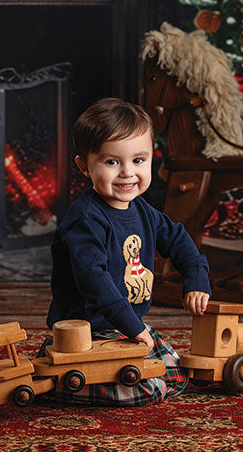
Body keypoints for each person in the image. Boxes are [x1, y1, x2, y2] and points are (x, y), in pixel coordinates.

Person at [41, 97, 211, 406]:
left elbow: (178, 239)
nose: (127, 173)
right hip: (87, 332)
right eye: (111, 162)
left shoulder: (143, 211)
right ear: (84, 165)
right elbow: (94, 280)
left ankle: (125, 377)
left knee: (177, 371)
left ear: (150, 159)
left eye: (138, 160)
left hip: (126, 327)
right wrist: (133, 326)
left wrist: (196, 278)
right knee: (149, 387)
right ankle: (61, 381)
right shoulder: (85, 221)